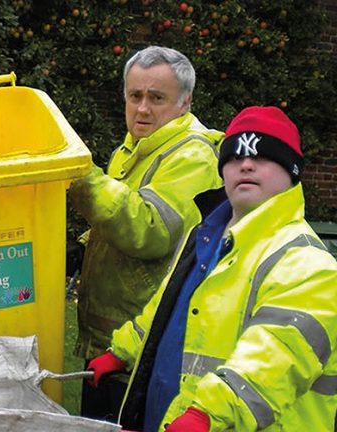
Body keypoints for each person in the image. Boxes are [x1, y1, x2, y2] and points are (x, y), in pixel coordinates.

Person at [88, 106, 337, 431]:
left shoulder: (307, 263)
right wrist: (123, 351)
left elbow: (276, 355)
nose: (245, 164)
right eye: (234, 156)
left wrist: (207, 415)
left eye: (263, 156)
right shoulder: (205, 237)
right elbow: (166, 310)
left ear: (291, 171)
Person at [68, 46, 224, 419]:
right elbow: (118, 217)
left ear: (184, 102)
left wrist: (83, 179)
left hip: (141, 348)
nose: (142, 108)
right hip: (109, 343)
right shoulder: (134, 148)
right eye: (135, 96)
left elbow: (150, 230)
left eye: (157, 98)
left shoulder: (191, 155)